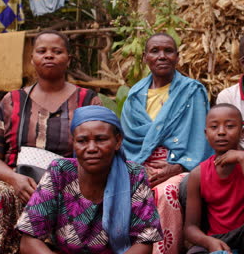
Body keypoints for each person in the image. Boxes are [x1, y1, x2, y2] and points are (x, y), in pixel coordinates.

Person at [0, 30, 101, 253]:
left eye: (57, 51)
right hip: (21, 188)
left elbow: (100, 151)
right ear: (32, 59)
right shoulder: (12, 101)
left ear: (68, 59)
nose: (48, 56)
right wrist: (14, 179)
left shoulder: (87, 101)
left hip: (69, 188)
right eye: (42, 51)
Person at [17, 106, 163, 254]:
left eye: (101, 139)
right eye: (82, 141)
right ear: (73, 143)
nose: (91, 148)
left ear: (118, 141)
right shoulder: (61, 171)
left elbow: (144, 241)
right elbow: (29, 239)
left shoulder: (134, 175)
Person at [120, 33, 213, 254]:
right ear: (145, 57)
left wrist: (177, 166)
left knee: (165, 191)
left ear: (177, 57)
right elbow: (126, 142)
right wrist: (137, 168)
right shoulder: (134, 96)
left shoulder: (193, 91)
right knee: (118, 188)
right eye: (155, 51)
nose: (162, 56)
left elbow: (201, 140)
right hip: (140, 162)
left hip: (182, 165)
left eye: (168, 51)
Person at [184, 103, 244, 254]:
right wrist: (209, 242)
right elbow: (190, 227)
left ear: (242, 132)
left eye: (229, 126)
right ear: (205, 133)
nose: (221, 132)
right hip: (218, 238)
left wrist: (243, 160)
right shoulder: (198, 174)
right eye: (214, 127)